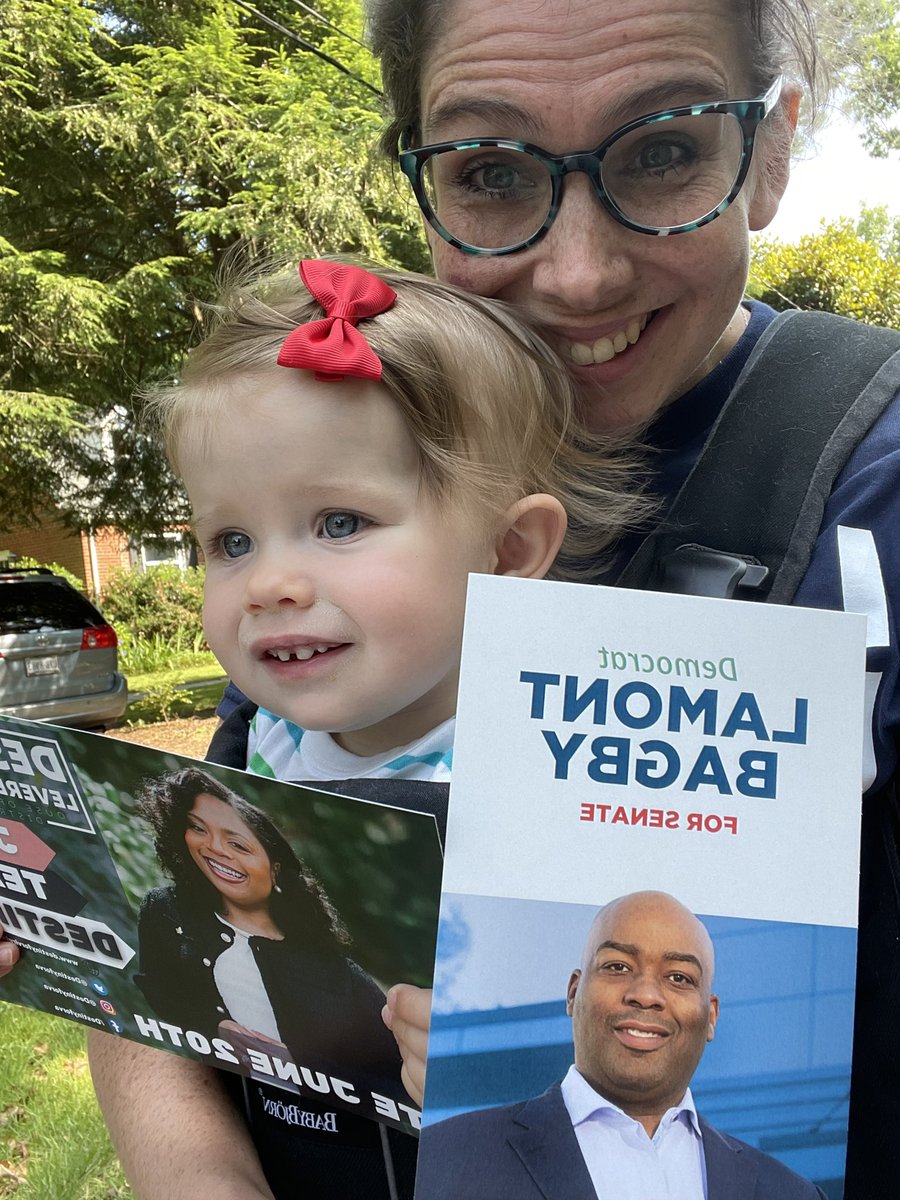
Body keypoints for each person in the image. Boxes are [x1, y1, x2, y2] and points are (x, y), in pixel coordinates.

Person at [4, 0, 899, 1194]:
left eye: (664, 150)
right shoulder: (331, 516)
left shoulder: (872, 486)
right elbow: (175, 934)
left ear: (772, 152)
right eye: (490, 171)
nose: (578, 271)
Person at [97, 254, 644, 1200]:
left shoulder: (569, 770)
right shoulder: (262, 742)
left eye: (340, 523)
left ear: (509, 551)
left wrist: (507, 1066)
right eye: (231, 541)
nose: (270, 583)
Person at [415, 891, 826, 1200]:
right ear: (573, 993)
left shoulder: (791, 1193)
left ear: (711, 1017)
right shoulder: (443, 1157)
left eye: (679, 977)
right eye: (618, 966)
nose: (645, 995)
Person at [133, 766, 406, 1103]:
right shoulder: (166, 912)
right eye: (198, 828)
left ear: (275, 869)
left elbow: (398, 1084)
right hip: (211, 1106)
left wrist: (299, 1066)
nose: (214, 847)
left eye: (238, 844)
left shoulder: (340, 975)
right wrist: (215, 1027)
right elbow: (158, 992)